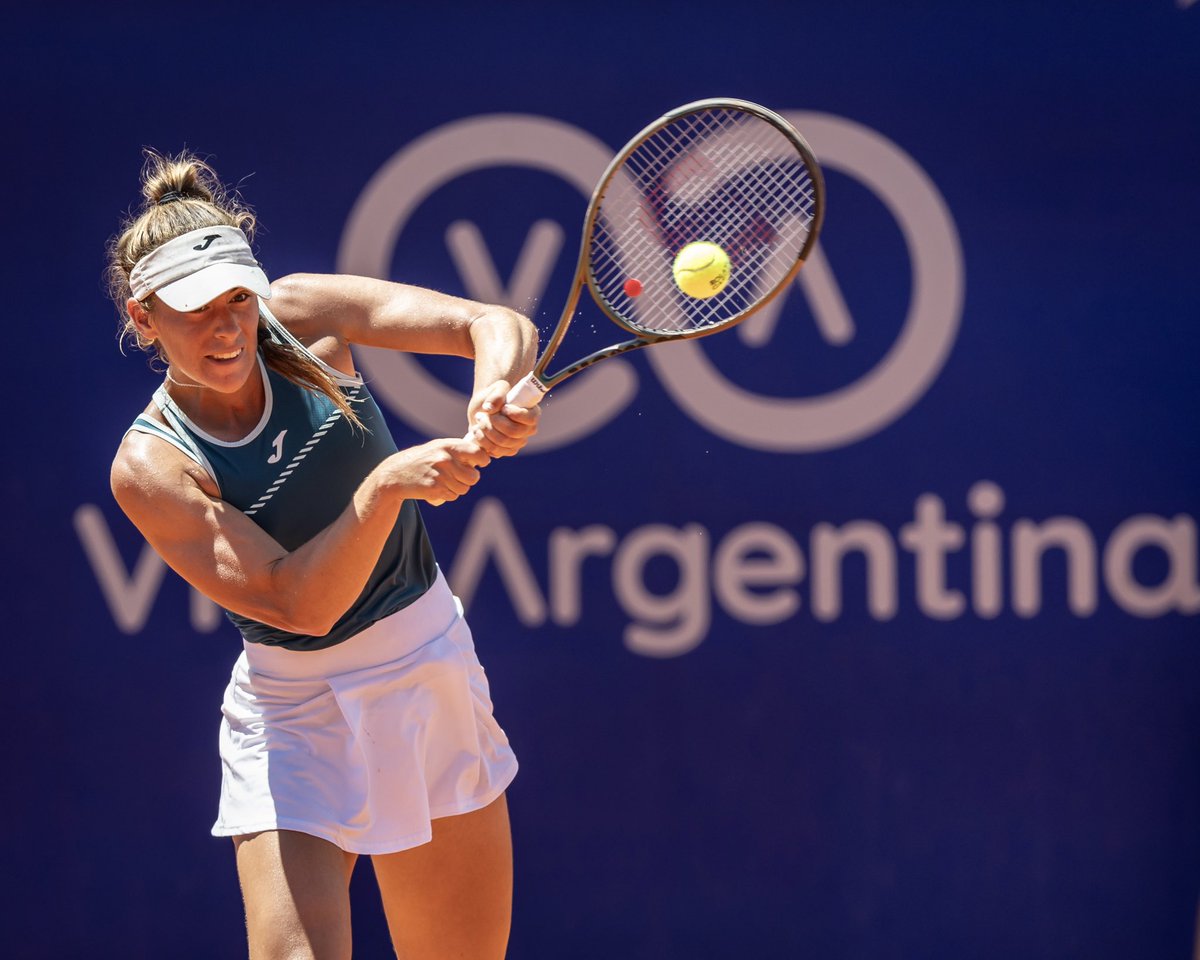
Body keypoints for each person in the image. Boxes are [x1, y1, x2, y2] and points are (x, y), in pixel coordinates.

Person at [105, 149, 540, 960]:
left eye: (238, 297)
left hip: (425, 668)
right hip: (292, 713)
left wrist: (494, 388)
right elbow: (292, 600)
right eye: (195, 310)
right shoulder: (152, 468)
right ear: (144, 319)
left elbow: (492, 323)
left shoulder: (301, 313)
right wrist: (385, 488)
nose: (227, 326)